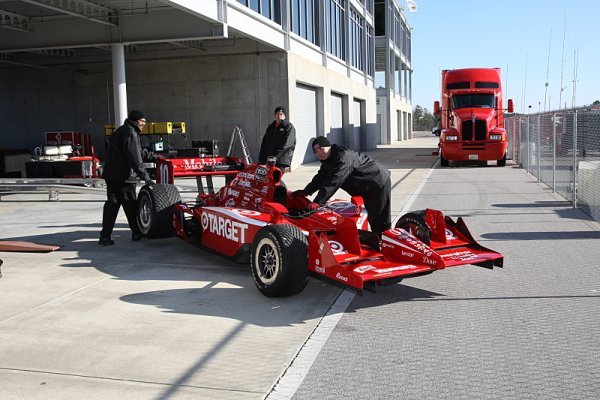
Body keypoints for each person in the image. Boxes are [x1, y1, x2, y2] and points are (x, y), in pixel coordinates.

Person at [292, 137, 392, 235]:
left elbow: (334, 181)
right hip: (366, 187)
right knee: (372, 217)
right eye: (316, 152)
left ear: (328, 146)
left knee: (380, 220)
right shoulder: (329, 160)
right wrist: (306, 191)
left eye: (321, 149)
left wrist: (318, 201)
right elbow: (320, 178)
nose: (320, 153)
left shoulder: (342, 158)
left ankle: (387, 245)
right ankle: (378, 240)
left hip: (377, 182)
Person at [99, 110, 154, 245]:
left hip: (112, 175)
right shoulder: (130, 133)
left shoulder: (121, 131)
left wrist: (153, 156)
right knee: (130, 205)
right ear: (135, 120)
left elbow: (137, 151)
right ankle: (136, 233)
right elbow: (134, 158)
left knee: (112, 205)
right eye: (142, 121)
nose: (143, 124)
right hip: (124, 176)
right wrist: (145, 176)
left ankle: (105, 236)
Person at [258, 106, 296, 172]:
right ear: (275, 116)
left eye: (281, 114)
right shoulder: (271, 127)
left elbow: (286, 145)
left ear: (284, 116)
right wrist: (261, 159)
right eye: (277, 114)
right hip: (268, 160)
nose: (279, 116)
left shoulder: (288, 127)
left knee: (275, 180)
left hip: (280, 161)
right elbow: (264, 143)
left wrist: (274, 158)